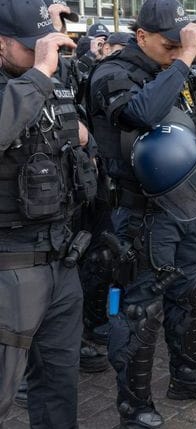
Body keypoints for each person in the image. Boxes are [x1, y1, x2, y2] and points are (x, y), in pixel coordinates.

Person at [88, 0, 196, 426]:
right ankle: (133, 406)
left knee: (188, 290)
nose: (177, 52)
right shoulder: (113, 72)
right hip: (138, 211)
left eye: (181, 45)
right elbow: (139, 113)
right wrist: (186, 58)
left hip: (183, 204)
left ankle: (187, 372)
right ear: (141, 37)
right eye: (169, 45)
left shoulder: (172, 71)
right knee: (140, 307)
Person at [0, 0, 93, 425]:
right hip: (10, 265)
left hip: (60, 257)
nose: (44, 52)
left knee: (58, 382)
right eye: (31, 46)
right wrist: (39, 74)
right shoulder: (35, 78)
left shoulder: (48, 80)